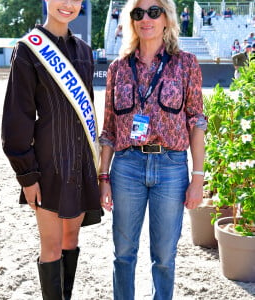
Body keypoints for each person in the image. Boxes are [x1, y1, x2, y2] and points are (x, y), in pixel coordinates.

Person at [98, 0, 207, 299]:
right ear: (130, 21)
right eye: (138, 13)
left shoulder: (186, 64)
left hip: (171, 168)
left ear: (167, 19)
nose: (146, 19)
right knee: (123, 254)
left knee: (164, 258)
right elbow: (108, 128)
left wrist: (197, 178)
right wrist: (103, 177)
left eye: (153, 12)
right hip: (127, 167)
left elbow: (197, 121)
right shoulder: (117, 69)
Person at [1, 0, 102, 299]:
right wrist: (27, 175)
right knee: (51, 245)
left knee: (72, 237)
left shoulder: (85, 51)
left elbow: (89, 109)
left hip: (80, 162)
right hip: (48, 165)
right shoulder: (28, 49)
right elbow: (17, 117)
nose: (68, 4)